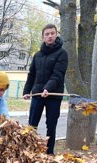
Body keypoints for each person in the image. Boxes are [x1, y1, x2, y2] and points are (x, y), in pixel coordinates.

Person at [23, 23, 68, 155]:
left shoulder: (62, 53)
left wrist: (48, 88)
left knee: (51, 124)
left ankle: (49, 152)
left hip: (53, 95)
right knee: (32, 124)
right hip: (37, 94)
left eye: (52, 33)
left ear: (56, 34)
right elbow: (31, 74)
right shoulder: (37, 55)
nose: (50, 36)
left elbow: (58, 74)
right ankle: (29, 151)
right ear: (43, 37)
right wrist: (26, 91)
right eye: (47, 34)